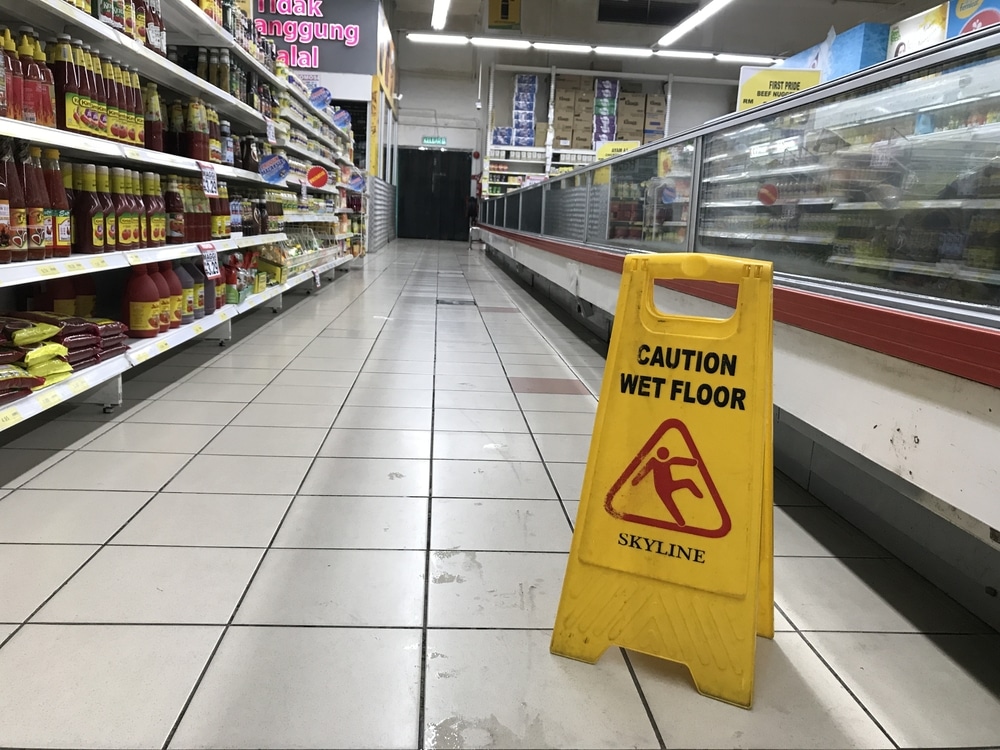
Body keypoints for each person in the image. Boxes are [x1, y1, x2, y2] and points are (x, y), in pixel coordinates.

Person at [631, 447, 703, 527]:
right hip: (661, 489)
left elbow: (680, 460)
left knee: (687, 482)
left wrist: (693, 462)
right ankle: (681, 522)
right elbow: (643, 472)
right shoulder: (653, 461)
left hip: (670, 484)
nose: (665, 455)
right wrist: (635, 481)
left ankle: (700, 496)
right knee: (671, 505)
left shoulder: (669, 461)